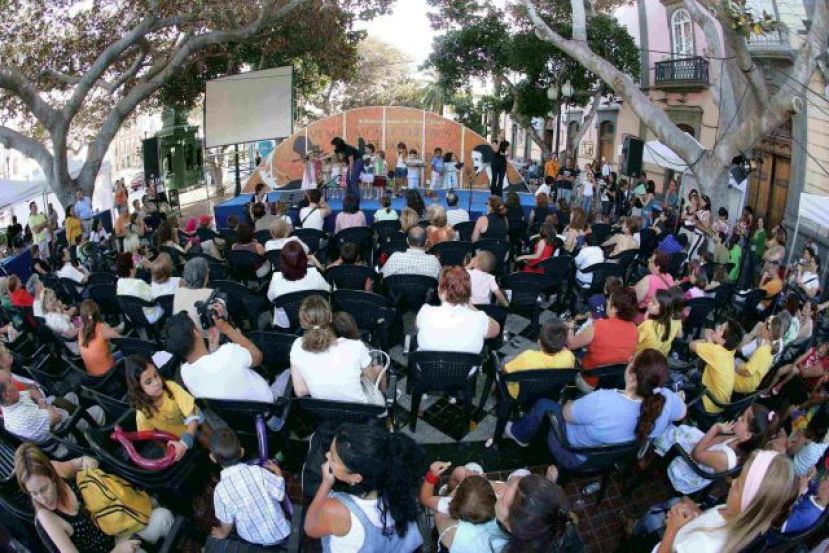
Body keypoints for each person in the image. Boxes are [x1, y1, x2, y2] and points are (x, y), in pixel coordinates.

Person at [506, 349, 686, 469]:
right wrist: (677, 398)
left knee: (545, 404)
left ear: (632, 377)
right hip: (610, 459)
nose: (629, 360)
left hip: (572, 454)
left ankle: (519, 434)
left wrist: (568, 404)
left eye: (632, 361)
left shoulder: (603, 400)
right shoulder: (666, 399)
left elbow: (566, 415)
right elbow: (682, 413)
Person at [15, 443, 174, 553]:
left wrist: (87, 462)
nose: (42, 498)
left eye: (44, 489)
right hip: (114, 548)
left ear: (53, 477)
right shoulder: (46, 517)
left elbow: (81, 461)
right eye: (33, 493)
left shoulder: (57, 470)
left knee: (164, 517)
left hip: (118, 528)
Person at [303, 423, 424, 551]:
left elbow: (310, 527)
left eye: (333, 458)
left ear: (355, 478)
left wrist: (325, 484)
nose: (327, 455)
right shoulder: (397, 487)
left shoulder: (336, 509)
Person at [652, 451, 795, 553]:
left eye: (738, 485)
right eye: (738, 478)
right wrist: (695, 518)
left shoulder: (705, 544)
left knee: (651, 518)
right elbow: (715, 521)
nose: (732, 483)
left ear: (749, 505)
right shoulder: (735, 514)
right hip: (685, 534)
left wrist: (672, 528)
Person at [651, 404, 771, 496]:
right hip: (702, 454)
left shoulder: (726, 459)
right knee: (678, 432)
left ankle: (650, 435)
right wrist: (716, 433)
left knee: (666, 436)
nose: (739, 418)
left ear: (747, 436)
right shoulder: (737, 438)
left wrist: (715, 428)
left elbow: (695, 454)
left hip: (691, 470)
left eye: (743, 419)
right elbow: (715, 441)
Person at [290, 295, 386, 405]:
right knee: (379, 369)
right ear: (330, 317)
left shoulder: (297, 346)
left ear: (302, 323)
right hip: (360, 413)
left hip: (323, 412)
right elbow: (372, 379)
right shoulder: (356, 347)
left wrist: (322, 384)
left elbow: (300, 391)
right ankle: (386, 407)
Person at [165, 311, 276, 402]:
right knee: (286, 373)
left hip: (242, 422)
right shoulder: (228, 352)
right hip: (270, 408)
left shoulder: (185, 373)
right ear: (195, 332)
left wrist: (213, 349)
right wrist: (227, 329)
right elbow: (257, 357)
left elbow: (210, 369)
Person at [208, 428, 291, 547]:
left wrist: (222, 533)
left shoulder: (220, 491)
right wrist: (278, 472)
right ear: (242, 452)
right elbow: (280, 494)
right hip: (280, 531)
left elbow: (227, 523)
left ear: (212, 458)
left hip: (252, 539)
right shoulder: (258, 472)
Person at [125, 355, 207, 462]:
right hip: (177, 435)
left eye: (156, 375)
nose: (156, 382)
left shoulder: (171, 387)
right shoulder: (142, 413)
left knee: (206, 437)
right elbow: (151, 435)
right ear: (138, 389)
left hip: (193, 418)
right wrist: (165, 447)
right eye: (148, 382)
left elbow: (193, 417)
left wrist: (185, 443)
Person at [0, 368, 105, 448]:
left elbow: (33, 392)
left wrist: (43, 405)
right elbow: (56, 417)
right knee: (98, 410)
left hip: (54, 420)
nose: (14, 382)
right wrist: (45, 406)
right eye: (10, 381)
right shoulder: (20, 417)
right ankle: (103, 441)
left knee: (72, 396)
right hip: (65, 436)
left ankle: (81, 416)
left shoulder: (13, 399)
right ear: (6, 395)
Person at [419, 468, 507, 553]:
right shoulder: (503, 514)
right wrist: (486, 481)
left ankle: (447, 491)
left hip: (449, 540)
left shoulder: (447, 504)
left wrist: (433, 474)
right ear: (493, 499)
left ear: (456, 496)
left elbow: (425, 498)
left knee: (459, 471)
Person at [415, 266, 499, 354]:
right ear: (468, 293)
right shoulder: (479, 319)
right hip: (466, 368)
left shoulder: (425, 312)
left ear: (440, 291)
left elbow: (418, 327)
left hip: (427, 367)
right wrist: (469, 304)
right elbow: (496, 330)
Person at [568, 287, 639, 387]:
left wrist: (570, 328)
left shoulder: (598, 326)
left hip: (589, 381)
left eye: (609, 299)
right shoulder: (634, 329)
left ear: (615, 308)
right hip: (614, 382)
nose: (606, 300)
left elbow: (571, 344)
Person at [503, 319, 575, 398]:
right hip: (549, 391)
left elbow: (506, 372)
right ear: (564, 343)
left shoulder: (528, 357)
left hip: (520, 394)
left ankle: (496, 390)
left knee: (506, 360)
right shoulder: (569, 357)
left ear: (539, 342)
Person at [267, 241, 328, 328]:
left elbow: (271, 299)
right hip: (314, 320)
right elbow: (327, 291)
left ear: (282, 261)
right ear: (304, 258)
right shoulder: (315, 274)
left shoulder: (276, 278)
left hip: (287, 325)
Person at [689, 318, 744, 413]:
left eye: (721, 328)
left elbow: (691, 345)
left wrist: (707, 338)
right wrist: (711, 340)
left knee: (684, 381)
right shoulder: (730, 349)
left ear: (723, 341)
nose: (717, 327)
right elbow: (714, 351)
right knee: (694, 375)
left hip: (708, 404)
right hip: (720, 403)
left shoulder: (716, 352)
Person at [115, 253, 163, 324]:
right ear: (131, 269)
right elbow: (155, 297)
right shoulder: (138, 283)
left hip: (131, 316)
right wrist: (151, 267)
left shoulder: (119, 282)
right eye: (134, 263)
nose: (135, 265)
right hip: (147, 316)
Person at [78, 299, 122, 377]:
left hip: (92, 375)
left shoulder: (81, 330)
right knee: (127, 352)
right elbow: (122, 340)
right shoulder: (101, 328)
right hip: (107, 373)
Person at [637, 289, 682, 356]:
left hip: (641, 358)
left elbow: (633, 341)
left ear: (664, 307)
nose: (649, 303)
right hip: (660, 357)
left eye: (654, 303)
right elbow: (679, 335)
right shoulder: (676, 321)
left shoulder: (648, 325)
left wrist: (646, 321)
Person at [633, 251, 675, 321]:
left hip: (641, 317)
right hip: (657, 319)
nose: (648, 260)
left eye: (651, 260)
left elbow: (634, 300)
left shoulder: (649, 280)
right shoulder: (669, 278)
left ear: (658, 266)